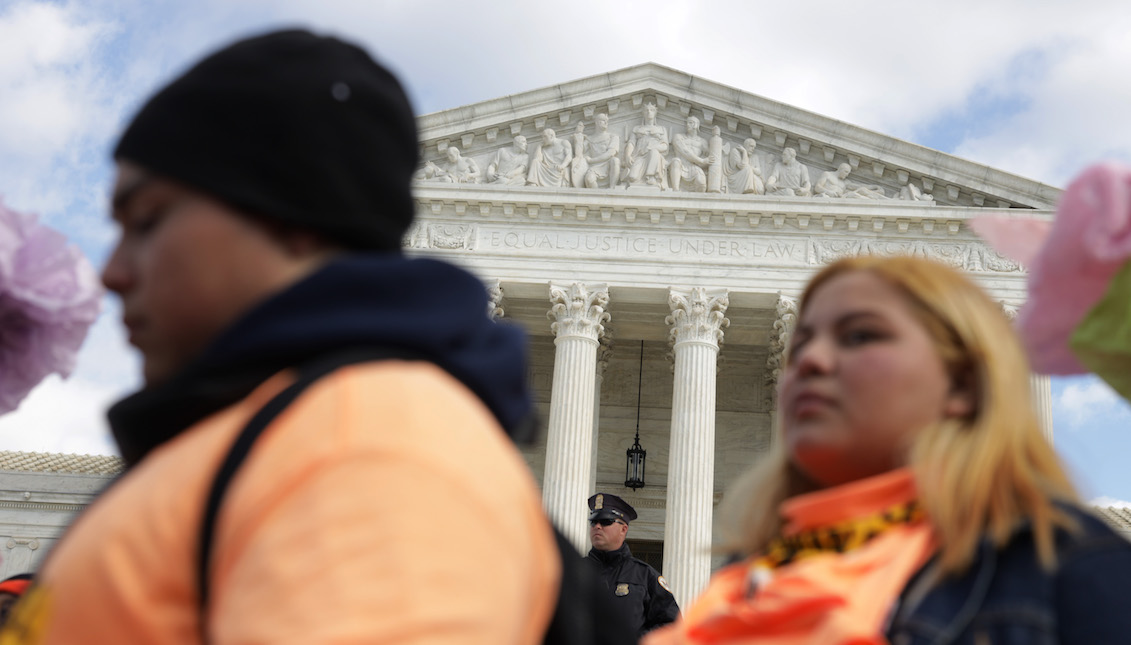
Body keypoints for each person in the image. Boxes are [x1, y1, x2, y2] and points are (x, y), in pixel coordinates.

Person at [0, 29, 561, 644]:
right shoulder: (274, 433)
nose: (112, 271)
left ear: (297, 220)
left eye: (148, 220)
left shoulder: (365, 445)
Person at [645, 254, 1131, 645]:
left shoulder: (1062, 567)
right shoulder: (752, 575)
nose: (810, 360)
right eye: (801, 343)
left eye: (860, 335)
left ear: (962, 383)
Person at [587, 493, 679, 643]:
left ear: (623, 529)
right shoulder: (572, 572)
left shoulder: (645, 575)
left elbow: (672, 625)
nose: (597, 526)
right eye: (593, 522)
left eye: (606, 521)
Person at [623, 103, 669, 188]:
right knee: (632, 177)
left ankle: (651, 176)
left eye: (651, 110)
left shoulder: (661, 129)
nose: (649, 112)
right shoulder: (637, 128)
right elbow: (631, 143)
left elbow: (665, 146)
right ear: (643, 113)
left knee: (654, 152)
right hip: (639, 155)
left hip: (654, 156)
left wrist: (650, 148)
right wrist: (628, 155)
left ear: (655, 113)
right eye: (646, 110)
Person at [575, 114, 622, 189]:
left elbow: (611, 153)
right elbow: (579, 153)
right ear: (596, 122)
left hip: (608, 164)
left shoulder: (613, 136)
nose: (606, 123)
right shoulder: (589, 139)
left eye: (607, 121)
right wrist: (579, 134)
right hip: (594, 167)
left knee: (615, 160)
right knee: (589, 179)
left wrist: (592, 160)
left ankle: (612, 189)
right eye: (603, 120)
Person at [668, 116, 713, 192]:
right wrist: (702, 161)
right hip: (680, 165)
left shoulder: (702, 142)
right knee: (676, 161)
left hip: (694, 167)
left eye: (691, 123)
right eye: (687, 123)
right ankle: (675, 190)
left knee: (701, 184)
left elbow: (710, 155)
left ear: (697, 125)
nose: (688, 125)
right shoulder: (678, 137)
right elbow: (685, 151)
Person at [813, 162, 888, 199]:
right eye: (846, 172)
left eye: (848, 173)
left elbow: (858, 186)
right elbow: (818, 187)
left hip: (841, 197)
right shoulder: (827, 174)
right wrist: (829, 192)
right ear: (840, 169)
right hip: (827, 196)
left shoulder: (845, 182)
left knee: (861, 190)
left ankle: (881, 201)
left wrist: (875, 186)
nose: (847, 175)